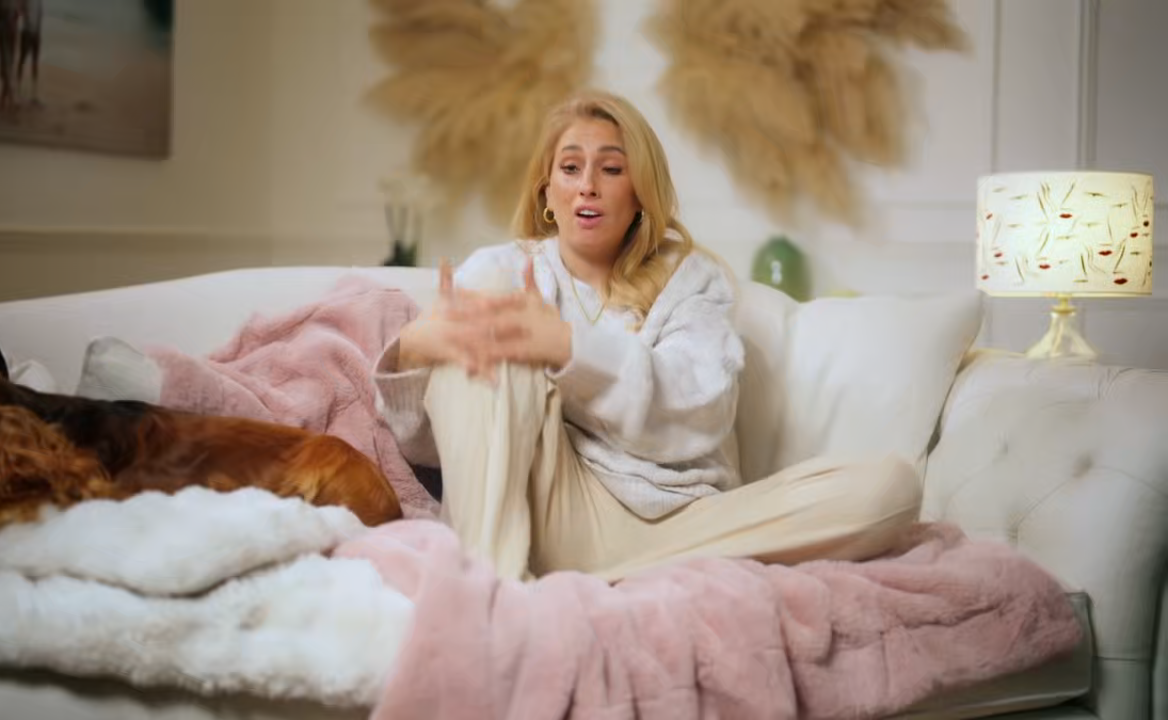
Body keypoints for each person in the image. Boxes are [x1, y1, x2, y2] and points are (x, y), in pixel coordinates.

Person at [373, 89, 920, 583]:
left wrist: (567, 348)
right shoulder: (502, 271)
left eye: (611, 168)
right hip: (550, 510)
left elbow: (698, 411)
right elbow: (431, 447)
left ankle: (619, 574)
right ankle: (489, 593)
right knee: (494, 328)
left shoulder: (693, 281)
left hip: (684, 526)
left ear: (640, 192)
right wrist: (419, 346)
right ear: (547, 192)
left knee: (890, 489)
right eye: (570, 167)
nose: (588, 185)